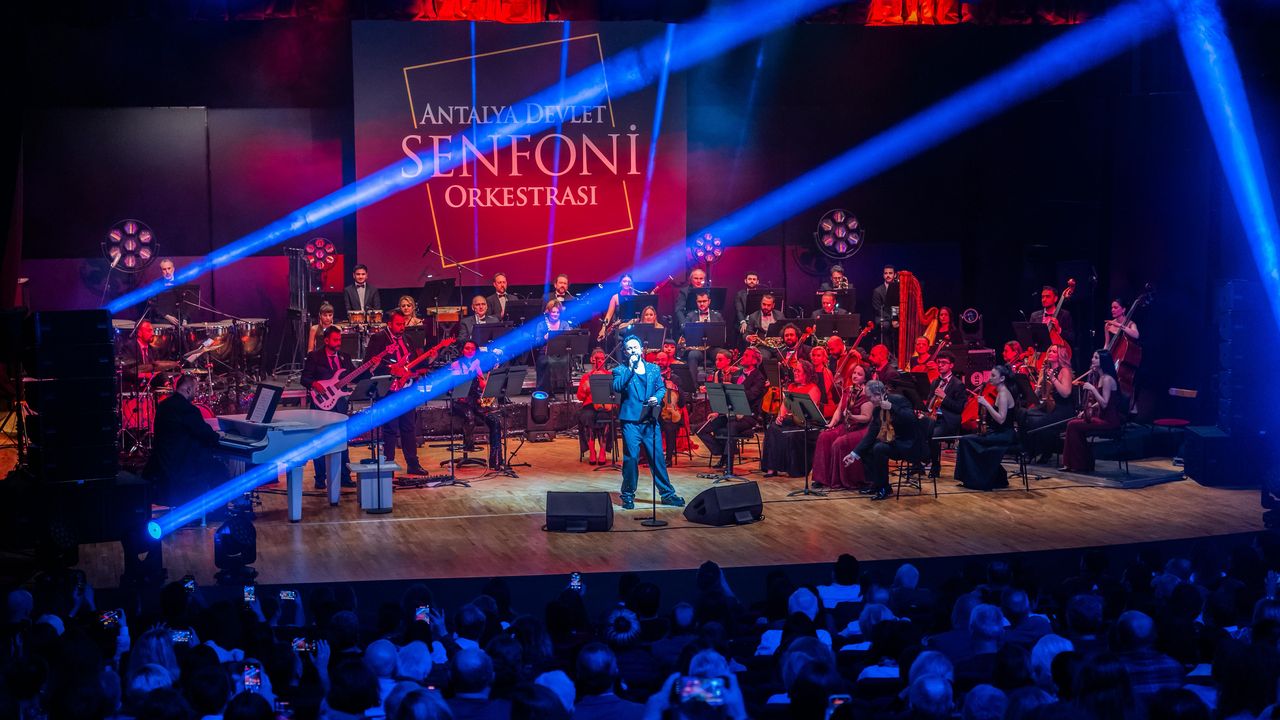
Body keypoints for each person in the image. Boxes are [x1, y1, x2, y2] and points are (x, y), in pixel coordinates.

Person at [612, 336, 683, 510]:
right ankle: (628, 495)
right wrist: (631, 369)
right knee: (631, 458)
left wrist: (657, 398)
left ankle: (667, 494)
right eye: (629, 348)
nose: (633, 350)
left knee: (657, 458)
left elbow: (660, 388)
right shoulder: (620, 370)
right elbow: (617, 387)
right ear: (625, 352)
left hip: (650, 420)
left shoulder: (653, 369)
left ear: (641, 349)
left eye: (635, 347)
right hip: (631, 421)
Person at [144, 374, 226, 506]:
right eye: (195, 390)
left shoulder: (163, 406)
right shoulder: (189, 410)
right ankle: (217, 512)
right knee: (220, 469)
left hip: (162, 467)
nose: (196, 393)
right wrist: (218, 436)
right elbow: (206, 434)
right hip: (183, 469)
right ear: (188, 389)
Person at [364, 310, 427, 475]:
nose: (402, 327)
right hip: (389, 389)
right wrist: (390, 369)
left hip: (407, 389)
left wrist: (425, 363)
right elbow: (369, 364)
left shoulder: (408, 339)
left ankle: (413, 464)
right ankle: (388, 466)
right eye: (398, 324)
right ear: (389, 324)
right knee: (390, 429)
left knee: (409, 427)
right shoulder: (378, 338)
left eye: (403, 324)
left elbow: (413, 362)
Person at [843, 379, 919, 501]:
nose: (869, 400)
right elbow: (871, 434)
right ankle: (876, 484)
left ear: (878, 394)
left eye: (870, 397)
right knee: (868, 449)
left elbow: (911, 419)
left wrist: (892, 407)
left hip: (906, 443)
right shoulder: (877, 409)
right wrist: (854, 454)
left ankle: (883, 488)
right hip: (892, 441)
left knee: (879, 448)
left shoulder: (898, 400)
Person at [301, 326, 356, 489]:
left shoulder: (345, 357)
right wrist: (314, 384)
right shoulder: (315, 357)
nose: (339, 343)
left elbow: (356, 375)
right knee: (320, 442)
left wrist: (371, 367)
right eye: (335, 340)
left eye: (340, 339)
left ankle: (345, 477)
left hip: (339, 405)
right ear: (326, 340)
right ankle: (320, 478)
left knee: (342, 441)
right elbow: (304, 378)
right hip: (321, 405)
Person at [697, 347, 765, 469]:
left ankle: (729, 466)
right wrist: (718, 411)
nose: (743, 357)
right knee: (701, 429)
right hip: (730, 412)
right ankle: (723, 453)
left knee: (730, 427)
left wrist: (733, 389)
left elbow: (751, 395)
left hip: (748, 416)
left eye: (747, 355)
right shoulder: (738, 373)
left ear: (755, 361)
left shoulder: (759, 377)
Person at [954, 364, 1017, 491]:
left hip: (1005, 435)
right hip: (998, 432)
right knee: (967, 439)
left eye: (993, 376)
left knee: (967, 441)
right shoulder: (1000, 392)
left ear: (1002, 378)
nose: (990, 378)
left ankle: (976, 480)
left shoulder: (1003, 394)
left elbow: (1001, 419)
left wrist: (986, 404)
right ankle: (974, 479)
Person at [1061, 350, 1124, 473]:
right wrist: (1088, 409)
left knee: (1072, 425)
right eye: (1093, 357)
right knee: (1075, 424)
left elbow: (1104, 404)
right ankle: (1082, 463)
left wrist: (1092, 389)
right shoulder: (1101, 377)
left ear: (1103, 361)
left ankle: (1078, 464)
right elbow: (1102, 402)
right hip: (1102, 417)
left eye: (1096, 358)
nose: (1092, 360)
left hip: (1109, 421)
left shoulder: (1107, 379)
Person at [813, 364, 871, 490]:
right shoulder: (848, 390)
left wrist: (852, 417)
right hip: (846, 426)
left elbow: (866, 417)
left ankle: (839, 480)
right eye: (854, 373)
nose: (855, 376)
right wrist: (831, 424)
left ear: (865, 378)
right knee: (824, 436)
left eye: (859, 374)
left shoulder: (867, 393)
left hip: (861, 429)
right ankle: (822, 479)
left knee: (839, 443)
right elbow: (839, 410)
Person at [761, 359, 822, 478]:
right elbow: (784, 405)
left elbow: (808, 414)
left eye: (798, 371)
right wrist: (780, 416)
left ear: (807, 373)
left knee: (791, 435)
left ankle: (795, 469)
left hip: (806, 425)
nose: (795, 373)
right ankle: (772, 468)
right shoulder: (792, 386)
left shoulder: (813, 389)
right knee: (773, 428)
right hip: (793, 421)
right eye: (794, 370)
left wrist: (791, 415)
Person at [450, 340, 503, 469]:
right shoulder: (456, 364)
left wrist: (490, 378)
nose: (470, 351)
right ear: (462, 350)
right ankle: (468, 446)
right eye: (467, 348)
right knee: (470, 417)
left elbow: (482, 385)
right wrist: (471, 370)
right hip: (460, 402)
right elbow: (454, 385)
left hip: (474, 401)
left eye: (472, 349)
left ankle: (496, 459)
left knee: (495, 421)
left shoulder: (476, 363)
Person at [1023, 344, 1076, 463]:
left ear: (1060, 355)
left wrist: (1053, 379)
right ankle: (1029, 450)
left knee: (1036, 421)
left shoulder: (1064, 371)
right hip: (1048, 406)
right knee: (1024, 414)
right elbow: (1038, 395)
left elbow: (1066, 393)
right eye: (1050, 351)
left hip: (1062, 409)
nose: (1050, 353)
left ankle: (1042, 452)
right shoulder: (1045, 370)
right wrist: (1039, 385)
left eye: (1054, 352)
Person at [926, 352, 968, 479]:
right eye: (938, 362)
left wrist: (944, 397)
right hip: (933, 417)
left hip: (947, 420)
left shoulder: (958, 385)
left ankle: (935, 466)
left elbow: (958, 408)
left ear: (951, 365)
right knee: (916, 428)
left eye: (943, 363)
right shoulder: (935, 382)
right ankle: (918, 464)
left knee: (933, 436)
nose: (940, 365)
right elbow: (929, 401)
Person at [576, 348, 615, 465]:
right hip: (589, 406)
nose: (600, 361)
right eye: (597, 359)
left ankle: (603, 451)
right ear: (592, 360)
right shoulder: (586, 377)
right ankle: (592, 450)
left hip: (605, 406)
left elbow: (615, 395)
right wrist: (585, 388)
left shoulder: (609, 375)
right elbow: (580, 397)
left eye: (602, 359)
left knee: (604, 416)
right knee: (588, 416)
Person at [533, 300, 573, 393]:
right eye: (553, 312)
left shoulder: (564, 324)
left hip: (561, 353)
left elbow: (569, 339)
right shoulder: (541, 325)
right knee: (546, 362)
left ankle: (562, 388)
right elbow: (537, 342)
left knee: (568, 360)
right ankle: (546, 392)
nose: (555, 314)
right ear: (549, 312)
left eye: (558, 312)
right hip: (545, 353)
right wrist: (544, 338)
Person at [682, 290, 725, 374]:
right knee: (692, 355)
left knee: (724, 354)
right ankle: (693, 382)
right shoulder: (690, 316)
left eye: (704, 301)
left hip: (713, 348)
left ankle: (718, 379)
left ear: (709, 301)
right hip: (697, 349)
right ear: (696, 302)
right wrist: (694, 327)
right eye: (699, 301)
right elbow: (684, 331)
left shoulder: (717, 315)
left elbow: (722, 334)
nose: (702, 304)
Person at [598, 274, 638, 341]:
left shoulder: (636, 296)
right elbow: (608, 316)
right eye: (624, 281)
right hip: (619, 328)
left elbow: (638, 316)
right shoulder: (615, 297)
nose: (627, 283)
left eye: (629, 281)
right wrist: (603, 328)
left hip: (633, 327)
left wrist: (627, 324)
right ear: (620, 283)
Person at [871, 264, 899, 348]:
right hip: (883, 317)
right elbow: (878, 309)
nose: (888, 275)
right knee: (886, 325)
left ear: (895, 275)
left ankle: (899, 352)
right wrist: (892, 319)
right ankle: (887, 352)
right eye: (886, 273)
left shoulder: (900, 288)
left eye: (890, 273)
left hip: (896, 316)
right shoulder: (877, 291)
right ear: (883, 275)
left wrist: (897, 318)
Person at [808, 345, 839, 417]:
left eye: (818, 356)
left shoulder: (827, 372)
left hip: (824, 405)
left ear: (823, 358)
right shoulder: (809, 371)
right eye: (813, 355)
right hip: (812, 402)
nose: (815, 358)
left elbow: (825, 393)